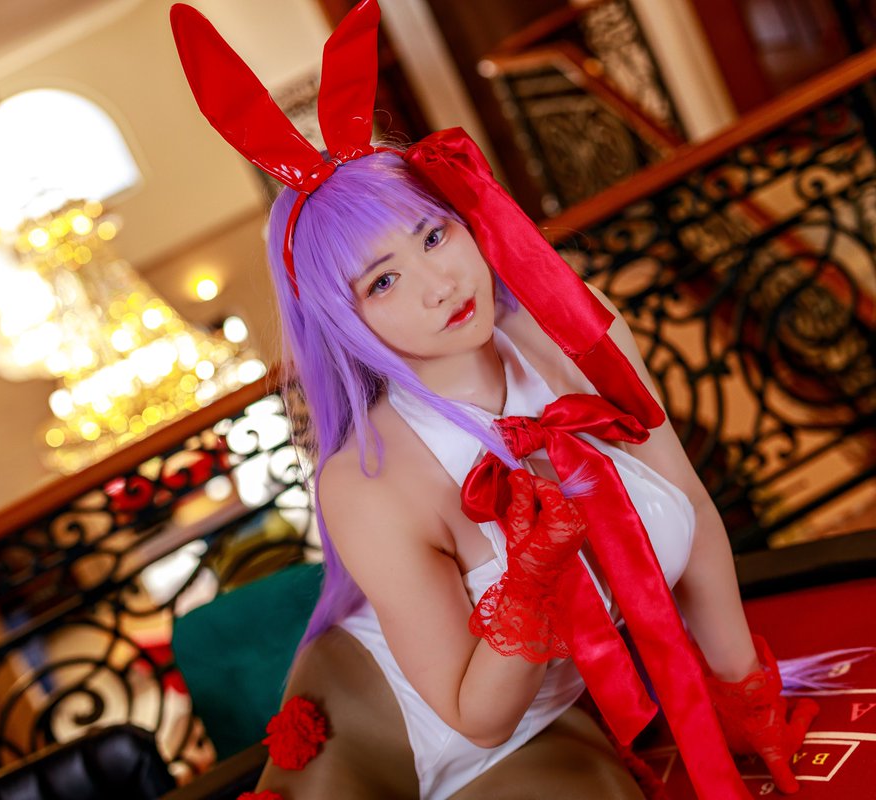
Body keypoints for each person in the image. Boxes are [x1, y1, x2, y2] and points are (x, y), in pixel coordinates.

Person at [170, 2, 817, 798]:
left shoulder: (572, 330)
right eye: (383, 280)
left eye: (433, 234)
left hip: (569, 703)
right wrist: (532, 578)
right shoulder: (367, 481)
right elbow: (475, 718)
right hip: (406, 735)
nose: (439, 284)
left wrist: (747, 695)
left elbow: (691, 509)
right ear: (344, 321)